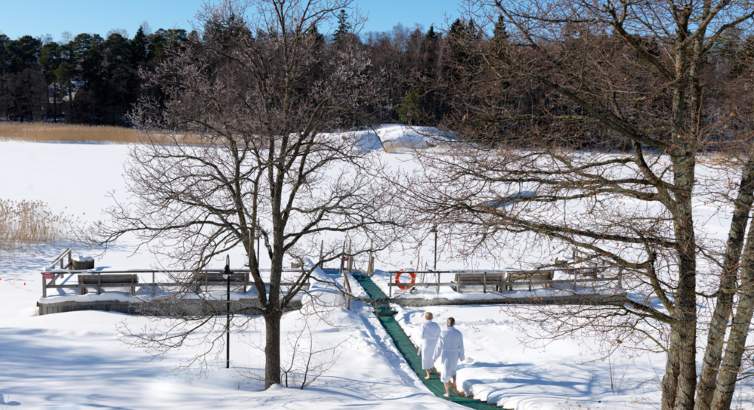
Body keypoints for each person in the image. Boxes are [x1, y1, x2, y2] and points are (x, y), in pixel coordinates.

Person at [433, 316, 465, 397]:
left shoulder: (443, 333)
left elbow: (438, 347)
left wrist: (434, 357)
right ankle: (454, 383)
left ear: (447, 323)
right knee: (453, 370)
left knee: (445, 372)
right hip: (455, 354)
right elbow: (461, 346)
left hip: (446, 354)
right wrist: (461, 356)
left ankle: (448, 392)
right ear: (454, 323)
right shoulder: (458, 333)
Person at [418, 311, 441, 380]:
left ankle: (428, 374)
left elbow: (421, 335)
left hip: (426, 342)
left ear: (425, 317)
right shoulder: (436, 325)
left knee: (425, 358)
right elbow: (439, 333)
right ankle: (430, 369)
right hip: (434, 342)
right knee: (432, 356)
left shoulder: (424, 325)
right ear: (432, 317)